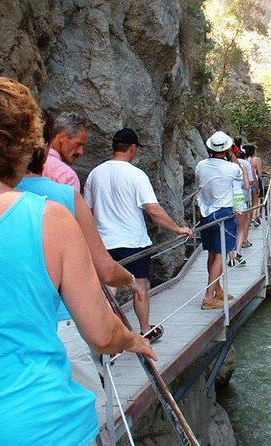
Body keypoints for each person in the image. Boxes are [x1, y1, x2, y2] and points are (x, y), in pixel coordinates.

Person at [0, 75, 155, 445]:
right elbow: (102, 333)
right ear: (24, 143)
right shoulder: (49, 217)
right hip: (49, 425)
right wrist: (133, 340)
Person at [17, 113, 143, 402]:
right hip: (62, 318)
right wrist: (131, 284)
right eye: (79, 144)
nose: (82, 151)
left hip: (19, 325)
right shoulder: (64, 188)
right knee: (92, 411)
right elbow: (106, 270)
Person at [84, 128, 193, 342]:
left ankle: (104, 334)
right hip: (133, 242)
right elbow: (153, 209)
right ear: (132, 149)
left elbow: (87, 211)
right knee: (139, 286)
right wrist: (178, 229)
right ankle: (145, 329)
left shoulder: (95, 174)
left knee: (108, 289)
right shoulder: (136, 174)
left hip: (104, 242)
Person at [195, 131, 243, 309]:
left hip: (205, 214)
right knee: (220, 256)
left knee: (212, 254)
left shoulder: (200, 165)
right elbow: (242, 177)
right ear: (228, 149)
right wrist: (232, 155)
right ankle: (208, 298)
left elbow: (200, 181)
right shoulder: (231, 168)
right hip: (223, 213)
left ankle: (218, 290)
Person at [43, 111, 88, 192]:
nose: (80, 151)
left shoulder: (27, 165)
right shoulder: (67, 177)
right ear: (62, 137)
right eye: (78, 144)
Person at [228, 149, 251, 267]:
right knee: (241, 228)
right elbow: (247, 186)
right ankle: (238, 252)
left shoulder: (223, 168)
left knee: (229, 228)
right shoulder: (242, 168)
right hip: (239, 198)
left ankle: (231, 257)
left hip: (227, 199)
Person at [246, 144, 264, 225]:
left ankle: (252, 217)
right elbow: (259, 173)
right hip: (255, 180)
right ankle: (255, 216)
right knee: (257, 199)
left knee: (250, 201)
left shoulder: (246, 160)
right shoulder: (256, 160)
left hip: (246, 181)